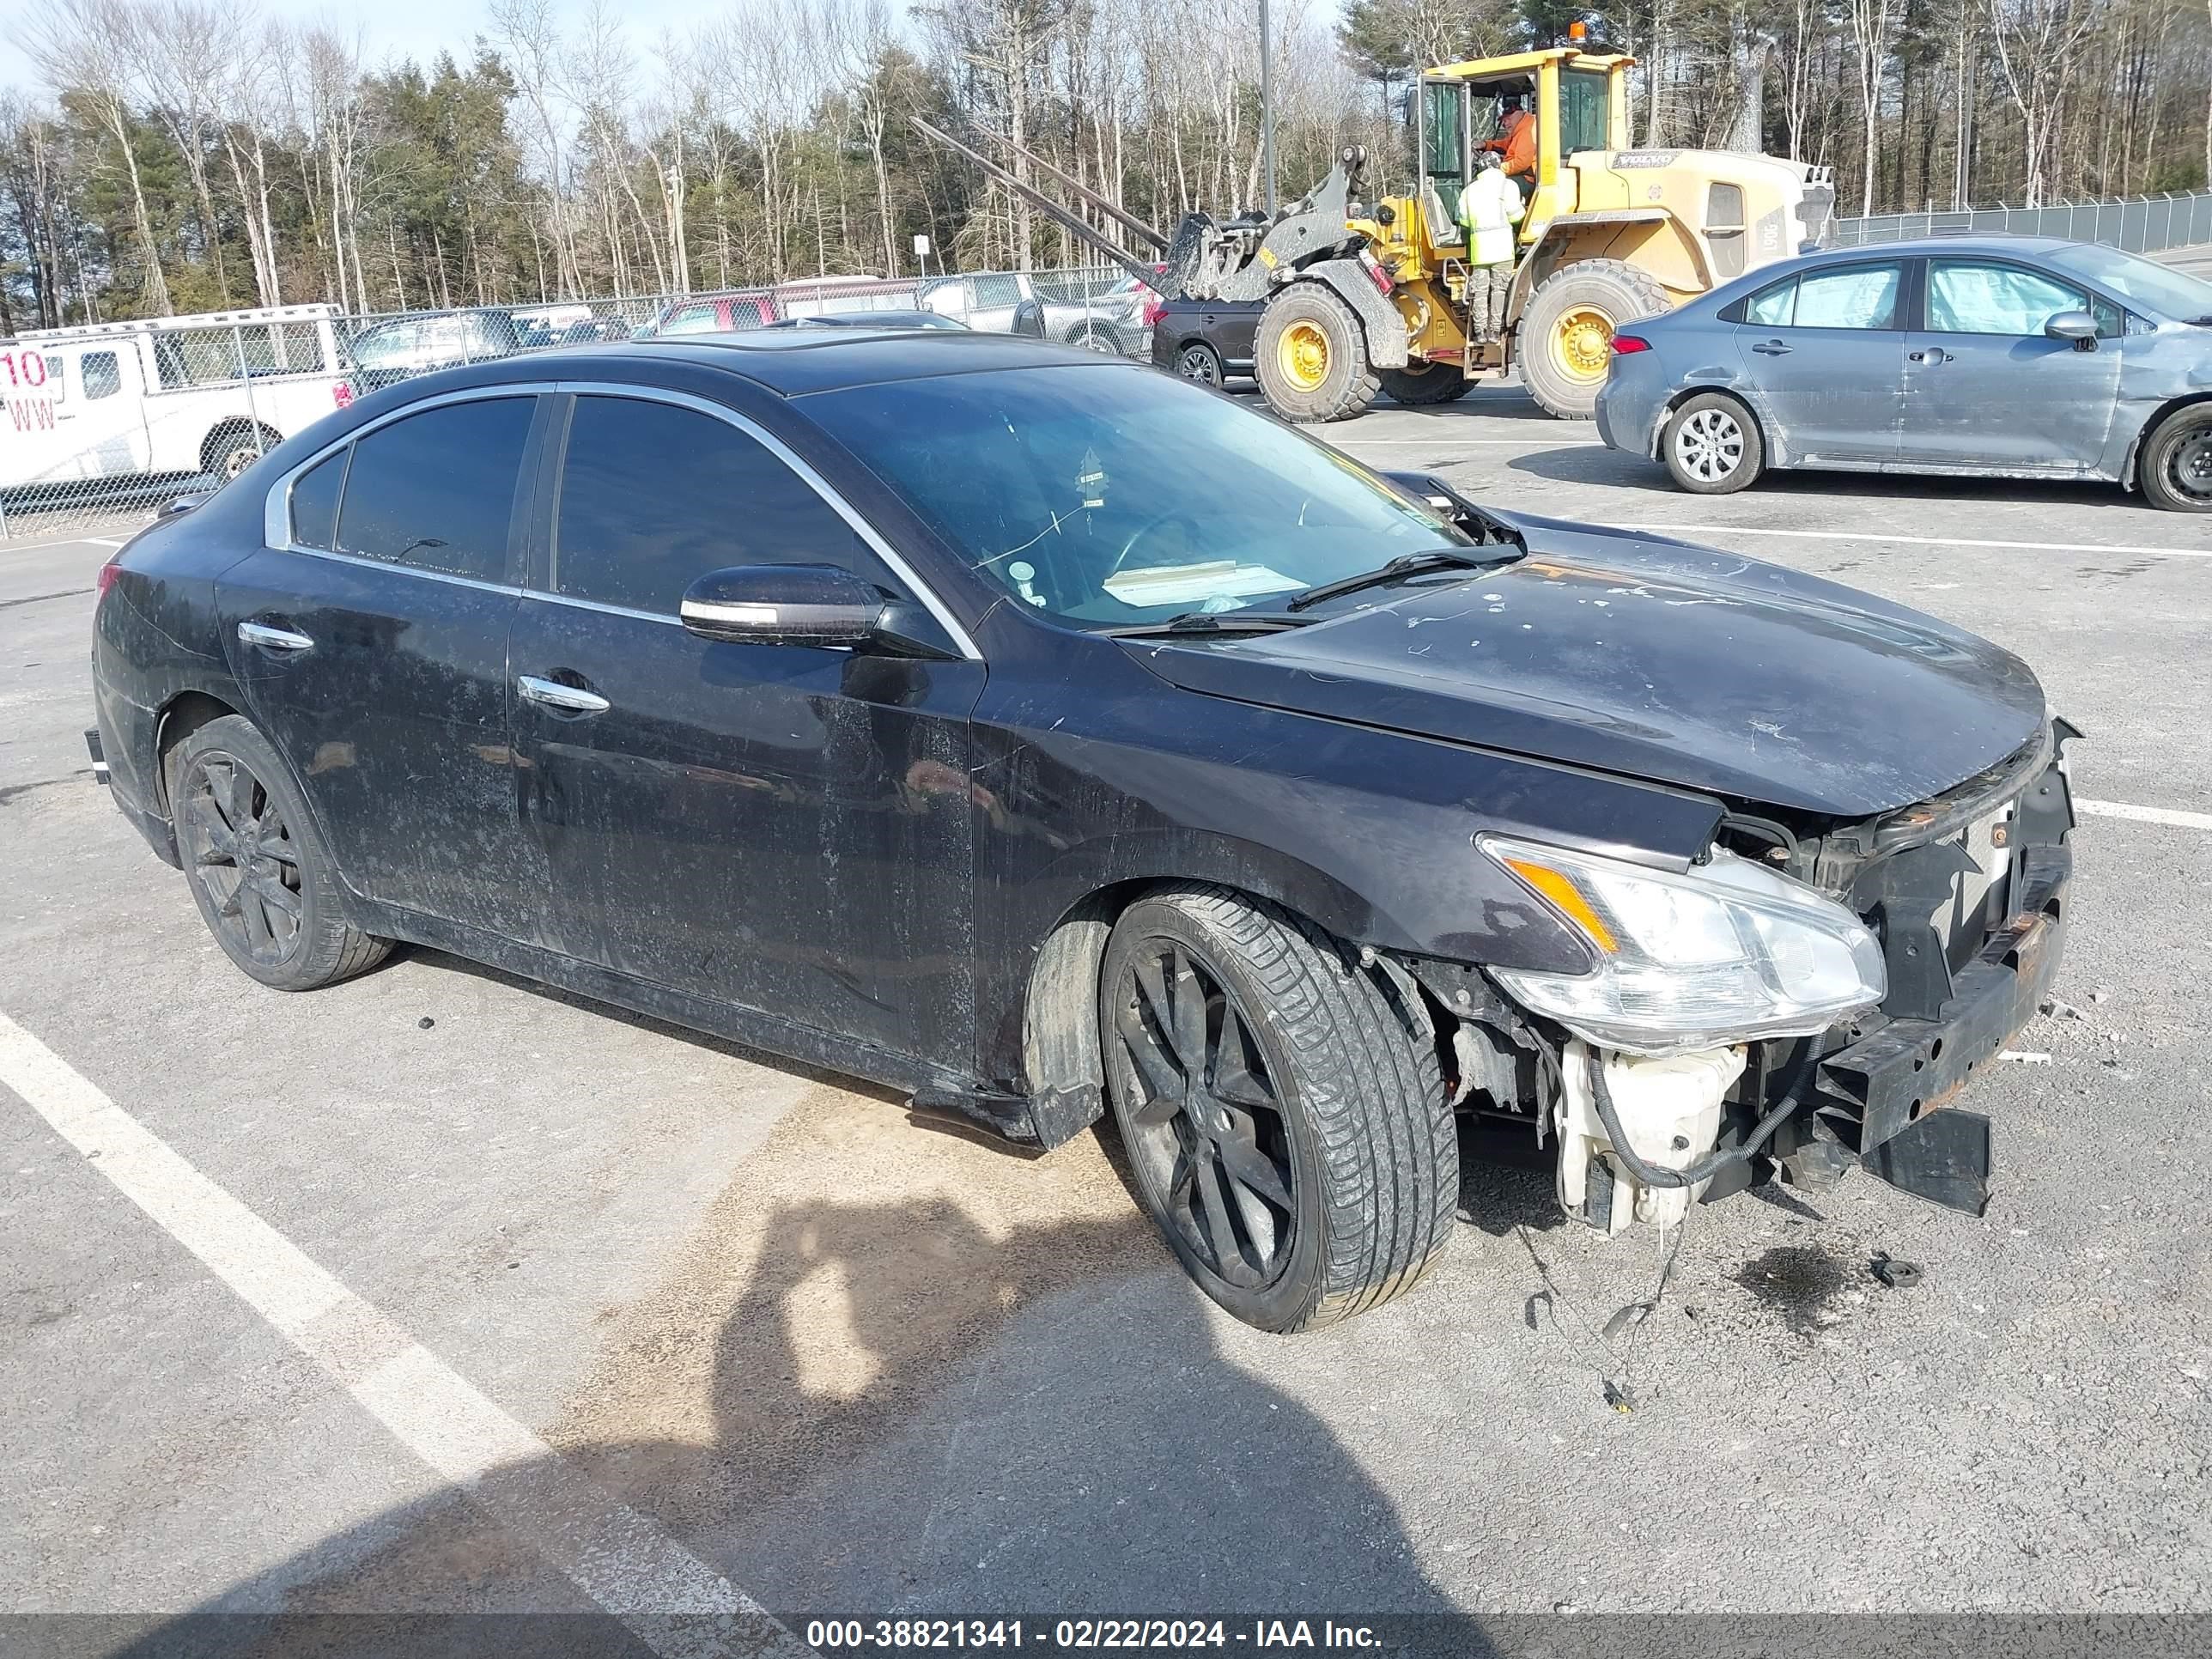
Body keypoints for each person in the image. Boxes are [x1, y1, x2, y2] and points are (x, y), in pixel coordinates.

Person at [1458, 149, 1523, 346]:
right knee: (1499, 290)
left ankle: (1480, 332)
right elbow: (1516, 216)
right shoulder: (1508, 186)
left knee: (1479, 292)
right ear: (1498, 165)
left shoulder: (1468, 191)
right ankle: (1495, 331)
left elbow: (1464, 220)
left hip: (1480, 253)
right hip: (1503, 251)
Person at [1483, 105, 1537, 184]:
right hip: (1518, 174)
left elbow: (1522, 163)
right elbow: (1505, 145)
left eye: (1509, 119)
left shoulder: (1527, 132)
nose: (1505, 124)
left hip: (1527, 178)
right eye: (1504, 121)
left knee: (1492, 186)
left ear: (1519, 114)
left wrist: (1499, 169)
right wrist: (1485, 145)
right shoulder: (1518, 130)